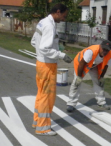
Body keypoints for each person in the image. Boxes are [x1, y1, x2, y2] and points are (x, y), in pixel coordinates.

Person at [31, 3, 73, 136]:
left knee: (41, 94)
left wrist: (41, 54)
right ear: (58, 12)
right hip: (48, 65)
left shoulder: (43, 22)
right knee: (47, 96)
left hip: (41, 63)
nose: (64, 19)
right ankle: (42, 128)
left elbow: (33, 42)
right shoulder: (49, 25)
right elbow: (45, 48)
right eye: (64, 16)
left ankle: (37, 121)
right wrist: (61, 55)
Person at [66, 40, 111, 112]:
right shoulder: (91, 51)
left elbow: (106, 66)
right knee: (77, 83)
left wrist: (101, 77)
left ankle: (101, 102)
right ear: (100, 47)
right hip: (81, 64)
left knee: (98, 82)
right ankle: (71, 104)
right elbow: (82, 63)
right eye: (104, 49)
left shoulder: (110, 54)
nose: (105, 52)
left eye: (107, 50)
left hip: (94, 65)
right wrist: (79, 77)